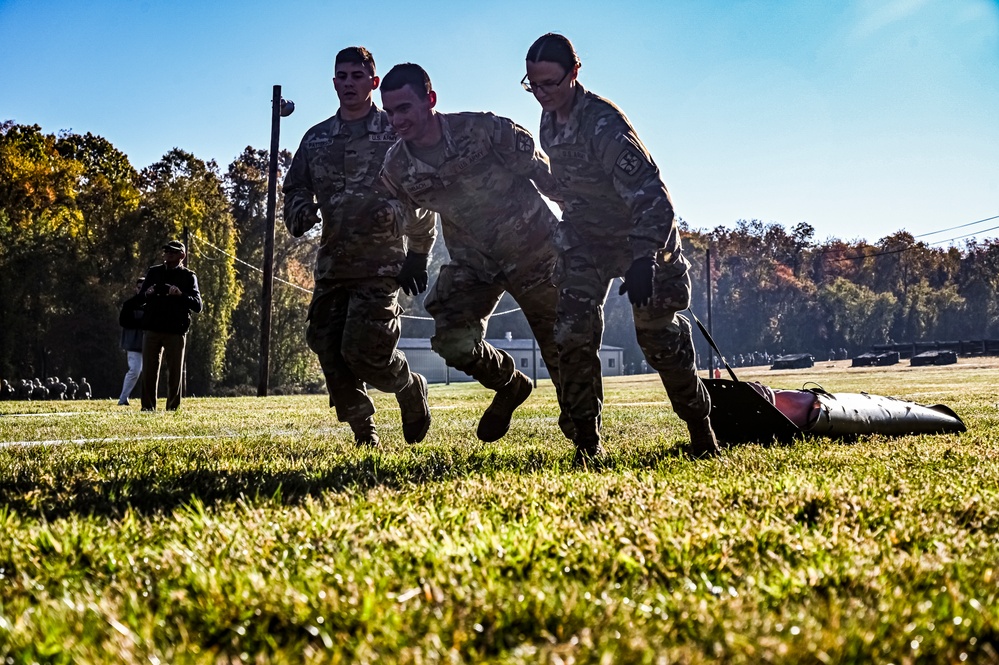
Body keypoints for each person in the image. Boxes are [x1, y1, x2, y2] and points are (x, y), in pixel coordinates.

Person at [524, 33, 720, 461]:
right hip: (587, 239)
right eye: (532, 85)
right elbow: (574, 187)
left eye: (550, 84)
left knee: (657, 338)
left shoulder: (603, 123)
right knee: (571, 334)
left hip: (641, 236)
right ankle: (587, 445)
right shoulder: (548, 122)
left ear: (575, 73)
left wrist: (644, 258)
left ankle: (702, 432)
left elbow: (654, 197)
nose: (541, 95)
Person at [379, 63, 571, 443]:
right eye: (389, 111)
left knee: (564, 351)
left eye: (404, 108)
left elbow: (543, 172)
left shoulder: (484, 130)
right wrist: (415, 256)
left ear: (430, 100)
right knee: (451, 339)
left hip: (536, 252)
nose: (396, 119)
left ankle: (585, 438)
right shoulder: (398, 166)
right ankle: (510, 384)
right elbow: (402, 213)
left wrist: (581, 220)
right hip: (475, 264)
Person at [282, 46, 436, 446]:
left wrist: (419, 253)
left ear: (374, 81)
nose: (349, 83)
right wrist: (301, 210)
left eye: (357, 76)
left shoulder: (395, 131)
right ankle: (364, 432)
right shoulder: (315, 139)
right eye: (342, 76)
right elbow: (295, 185)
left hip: (382, 264)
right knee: (327, 348)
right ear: (334, 82)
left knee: (366, 353)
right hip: (333, 264)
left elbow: (424, 191)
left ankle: (408, 386)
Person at [139, 240, 202, 411]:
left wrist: (181, 295)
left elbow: (197, 305)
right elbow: (140, 299)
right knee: (148, 373)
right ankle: (147, 408)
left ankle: (173, 408)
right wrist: (147, 294)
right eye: (166, 251)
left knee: (174, 373)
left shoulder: (189, 276)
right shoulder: (153, 272)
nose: (168, 255)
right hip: (152, 328)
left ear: (182, 255)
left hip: (175, 330)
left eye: (173, 252)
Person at [118, 277, 146, 405]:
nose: (141, 290)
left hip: (149, 342)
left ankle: (148, 400)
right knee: (134, 371)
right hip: (134, 343)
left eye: (143, 287)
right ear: (136, 288)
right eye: (139, 287)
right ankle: (123, 399)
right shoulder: (129, 304)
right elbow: (123, 321)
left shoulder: (152, 304)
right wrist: (141, 323)